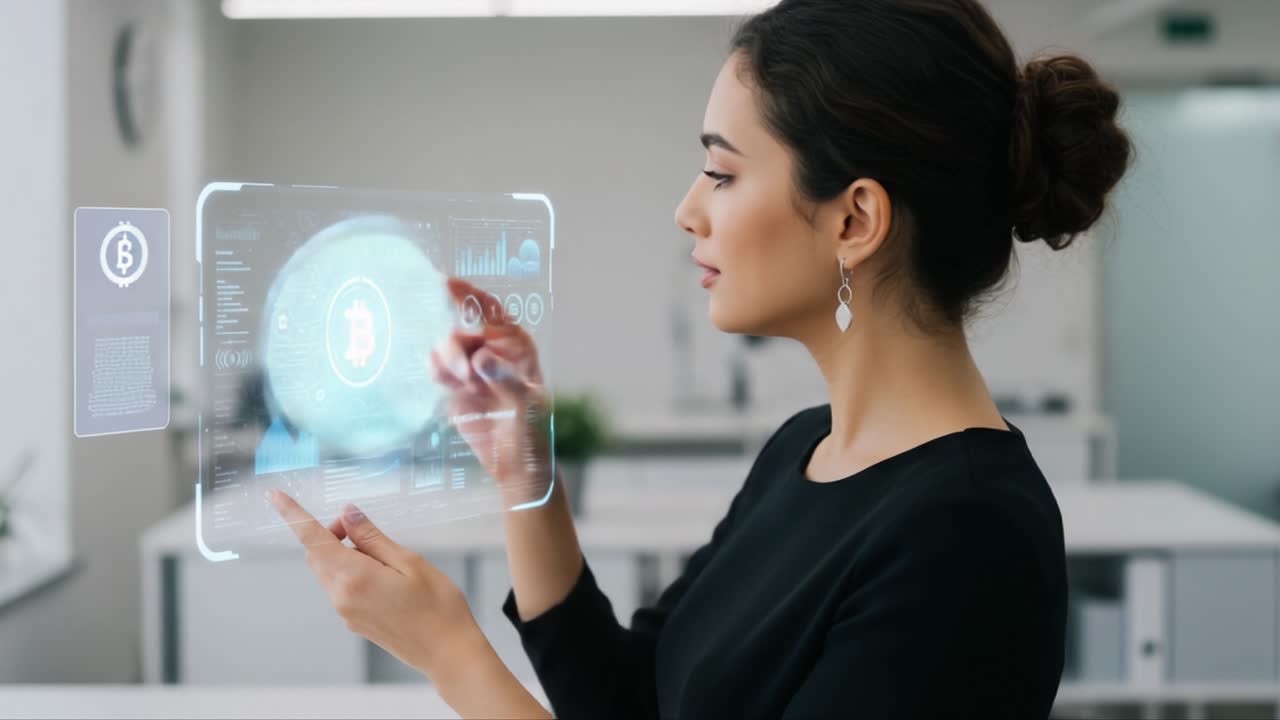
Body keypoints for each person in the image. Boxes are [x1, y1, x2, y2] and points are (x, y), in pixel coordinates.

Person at [267, 0, 1134, 717]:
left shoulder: (966, 538)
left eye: (722, 174)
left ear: (854, 220)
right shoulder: (803, 451)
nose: (689, 210)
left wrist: (449, 652)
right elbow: (631, 700)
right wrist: (526, 471)